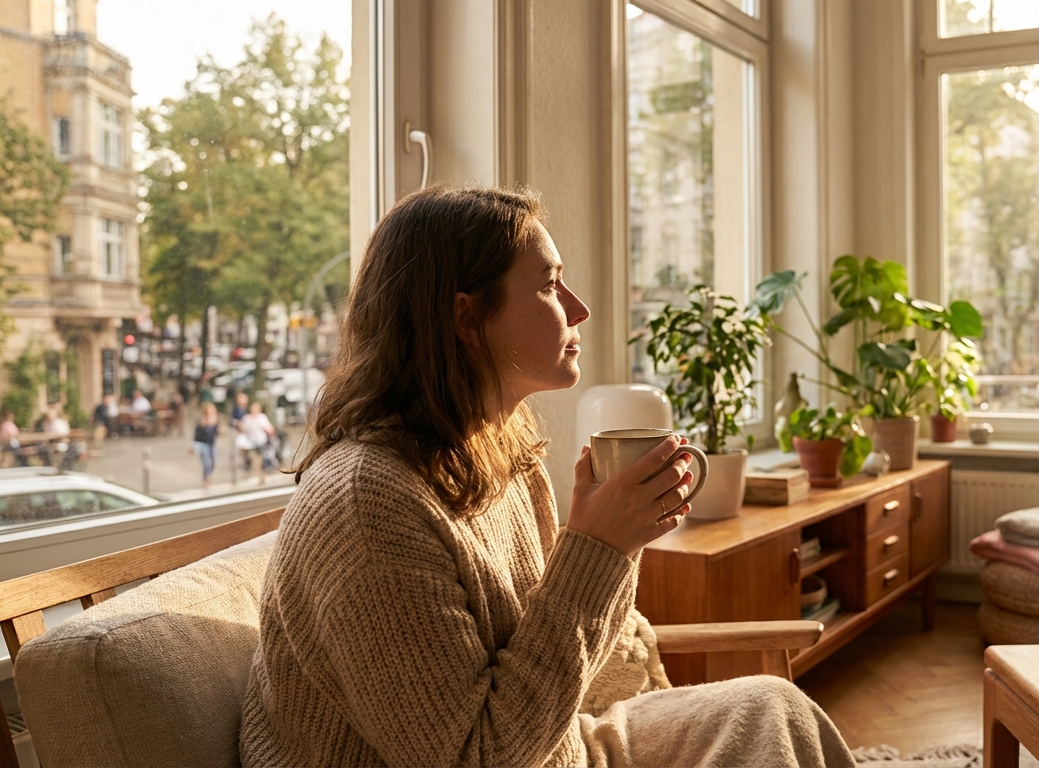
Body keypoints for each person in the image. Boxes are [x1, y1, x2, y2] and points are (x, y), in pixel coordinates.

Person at [240, 185, 852, 767]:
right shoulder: (367, 506)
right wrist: (598, 550)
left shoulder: (502, 450)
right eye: (551, 286)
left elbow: (557, 663)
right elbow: (475, 757)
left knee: (775, 709)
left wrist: (615, 544)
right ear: (467, 317)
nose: (579, 309)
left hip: (556, 749)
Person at [236, 402, 275, 484]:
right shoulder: (247, 419)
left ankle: (261, 476)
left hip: (261, 442)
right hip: (251, 443)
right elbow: (243, 429)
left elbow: (269, 429)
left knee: (260, 460)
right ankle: (257, 475)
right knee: (255, 459)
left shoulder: (262, 418)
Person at [191, 403, 220, 488]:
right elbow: (196, 435)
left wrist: (215, 425)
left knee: (214, 462)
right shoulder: (201, 421)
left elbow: (216, 433)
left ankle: (208, 475)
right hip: (203, 444)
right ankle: (205, 479)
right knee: (206, 463)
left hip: (211, 443)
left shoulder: (215, 420)